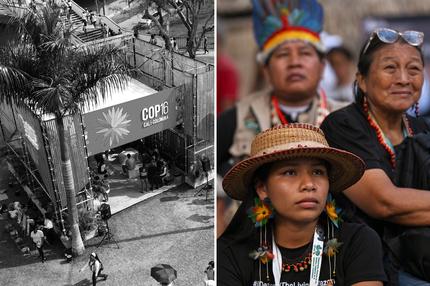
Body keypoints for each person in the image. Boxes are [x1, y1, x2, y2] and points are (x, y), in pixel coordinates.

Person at [320, 28, 430, 285]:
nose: (403, 79)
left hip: (419, 258)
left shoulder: (422, 128)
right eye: (390, 68)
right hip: (364, 264)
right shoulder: (343, 125)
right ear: (362, 80)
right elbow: (383, 202)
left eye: (413, 69)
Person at [218, 123, 386, 285]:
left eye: (318, 172)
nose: (309, 184)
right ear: (262, 188)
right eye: (290, 172)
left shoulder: (357, 241)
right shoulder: (229, 253)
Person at [217, 0, 346, 177]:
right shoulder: (238, 117)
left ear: (322, 66)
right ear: (266, 70)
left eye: (305, 53)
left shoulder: (346, 119)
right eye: (283, 54)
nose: (294, 62)